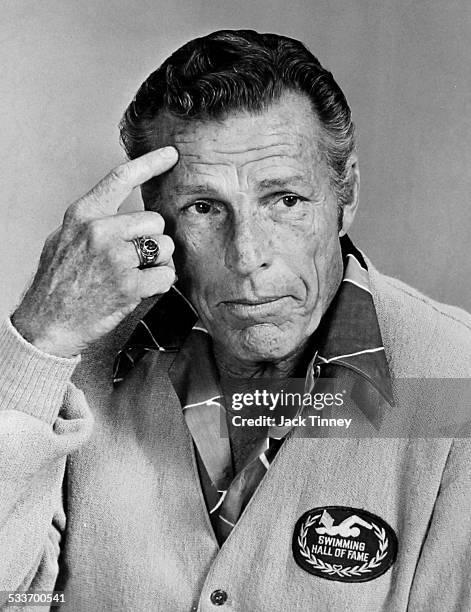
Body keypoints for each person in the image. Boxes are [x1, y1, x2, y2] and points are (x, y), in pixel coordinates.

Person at [1, 29, 470, 612]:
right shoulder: (76, 362)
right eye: (203, 207)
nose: (247, 256)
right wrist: (40, 338)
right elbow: (11, 598)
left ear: (345, 195)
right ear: (156, 217)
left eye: (285, 201)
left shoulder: (460, 384)